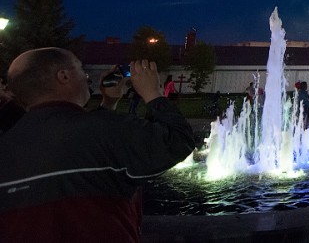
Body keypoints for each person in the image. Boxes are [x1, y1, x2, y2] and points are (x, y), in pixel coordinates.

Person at [0, 48, 195, 242]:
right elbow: (178, 141)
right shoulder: (108, 129)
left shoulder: (9, 141)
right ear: (64, 76)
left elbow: (80, 147)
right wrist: (153, 94)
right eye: (81, 70)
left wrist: (108, 103)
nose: (87, 78)